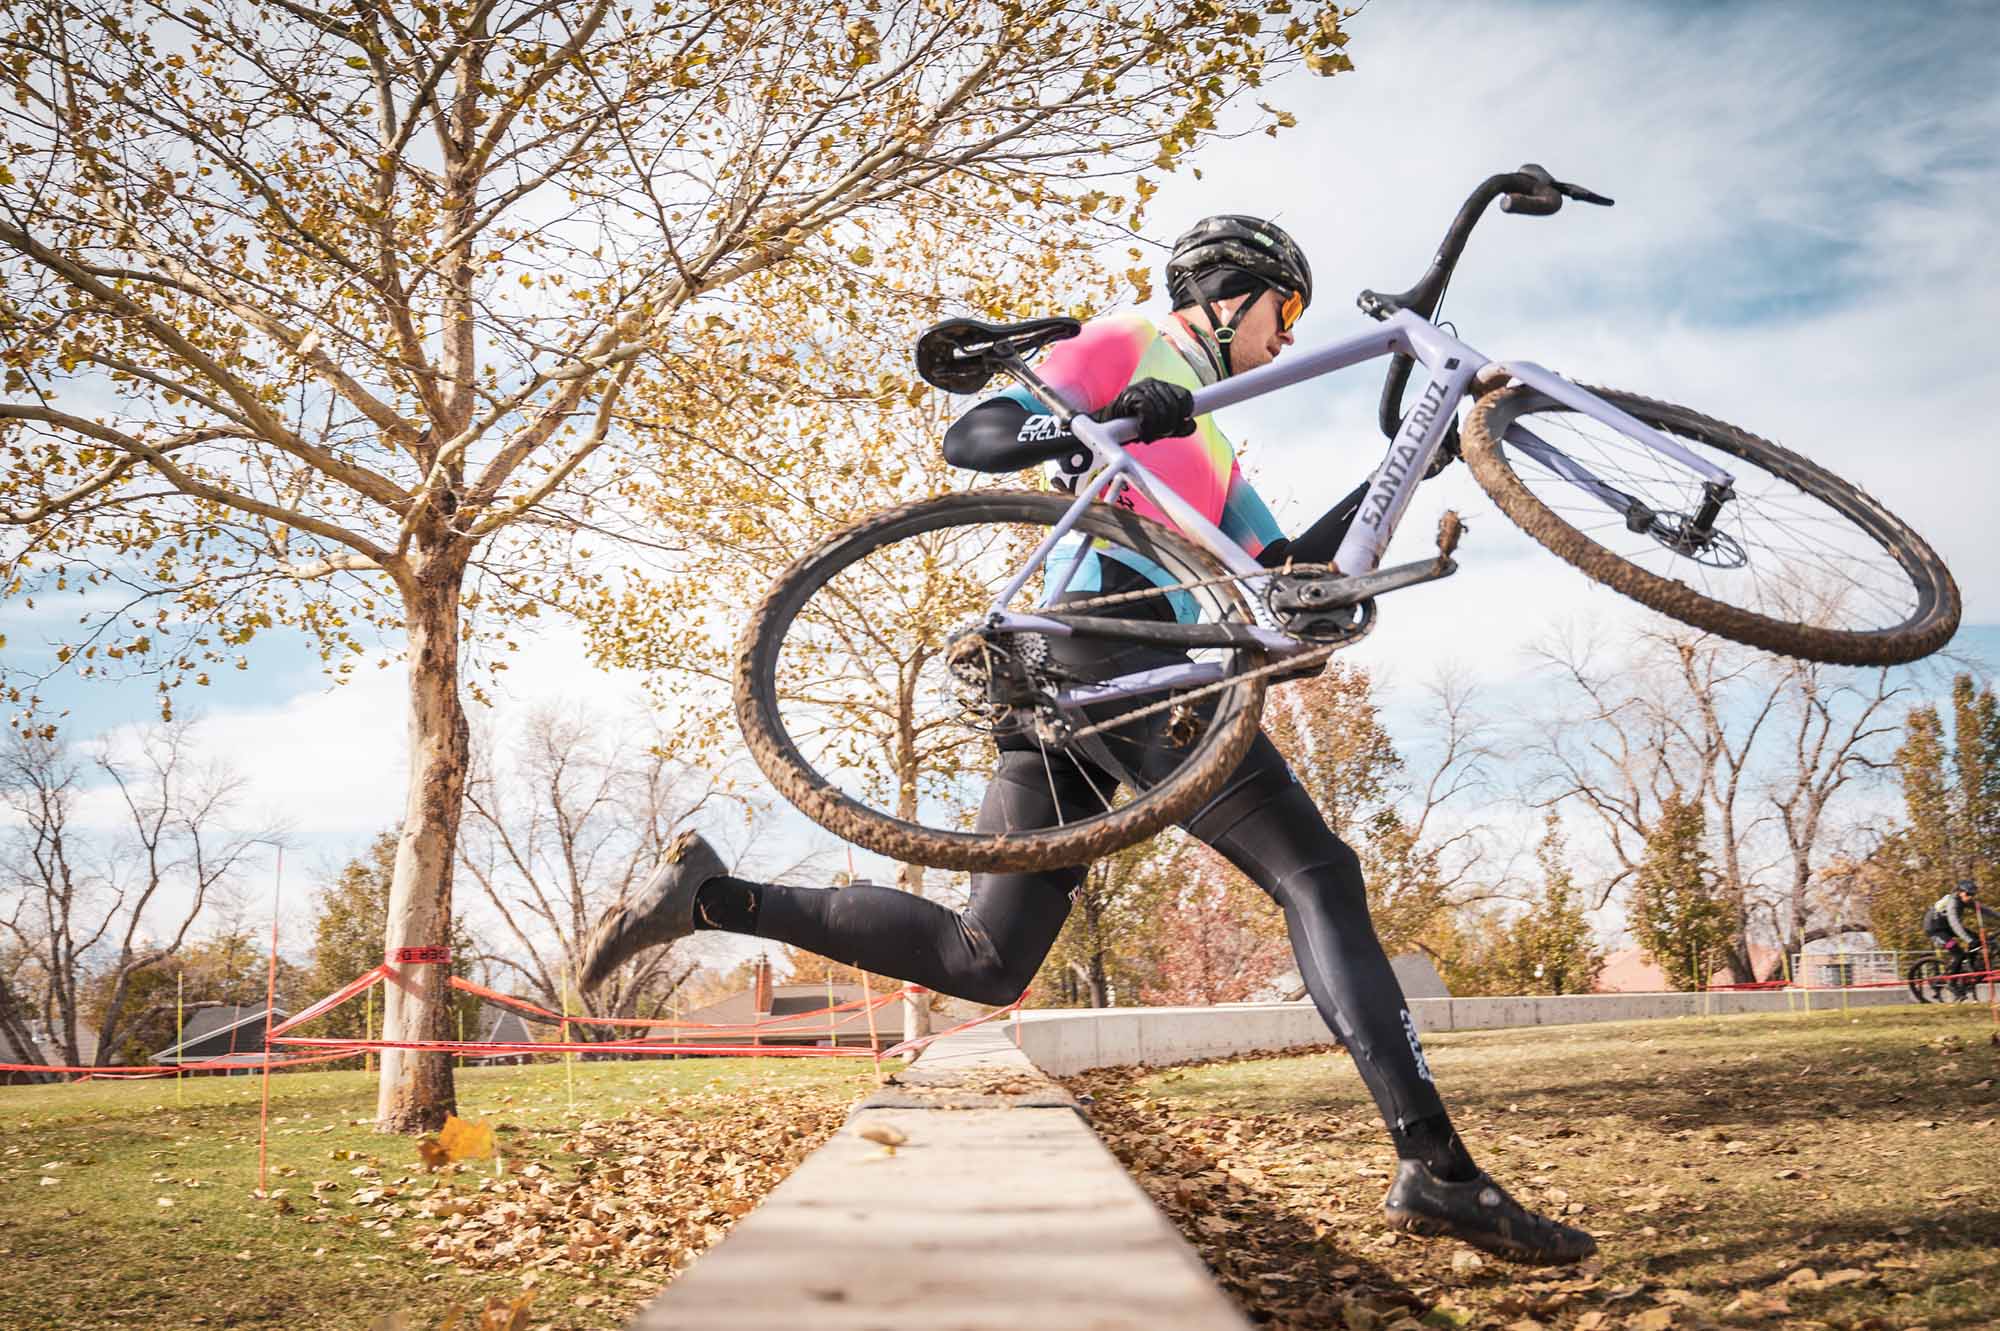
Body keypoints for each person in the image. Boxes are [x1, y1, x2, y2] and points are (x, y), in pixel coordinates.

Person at [580, 216, 1595, 1265]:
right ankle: (1435, 1167)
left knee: (982, 958)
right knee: (1317, 876)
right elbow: (972, 440)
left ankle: (707, 896)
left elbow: (1289, 567)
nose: (1288, 340)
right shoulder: (1130, 345)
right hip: (1114, 654)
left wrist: (1419, 454)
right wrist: (1108, 414)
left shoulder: (1208, 439)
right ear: (1229, 294)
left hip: (1075, 688)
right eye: (1284, 312)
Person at [1923, 879, 1998, 963]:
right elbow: (1955, 925)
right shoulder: (1952, 904)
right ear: (1960, 892)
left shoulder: (1964, 899)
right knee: (1958, 954)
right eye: (1968, 894)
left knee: (1977, 940)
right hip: (1934, 929)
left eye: (1972, 894)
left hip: (1946, 926)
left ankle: (1972, 967)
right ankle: (1951, 974)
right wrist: (1969, 940)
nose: (1970, 897)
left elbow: (1985, 910)